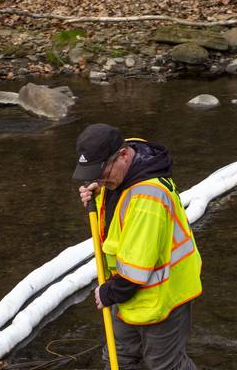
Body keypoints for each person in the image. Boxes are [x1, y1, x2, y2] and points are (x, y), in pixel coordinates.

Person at [73, 123, 202, 370]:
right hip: (127, 288)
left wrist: (108, 293)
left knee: (164, 364)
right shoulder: (128, 160)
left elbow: (136, 270)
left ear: (123, 155)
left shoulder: (148, 198)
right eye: (93, 174)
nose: (98, 179)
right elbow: (117, 207)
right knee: (117, 359)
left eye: (102, 173)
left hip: (163, 294)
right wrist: (98, 192)